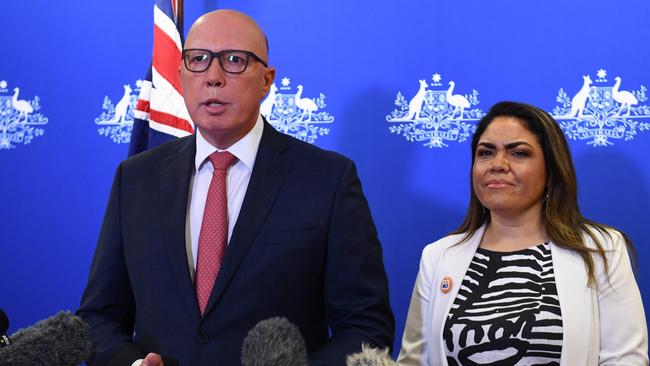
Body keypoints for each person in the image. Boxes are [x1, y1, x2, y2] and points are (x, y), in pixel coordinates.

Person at [78, 9, 394, 366]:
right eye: (198, 60)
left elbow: (365, 327)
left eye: (234, 60)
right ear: (181, 77)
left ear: (266, 80)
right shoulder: (135, 178)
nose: (213, 76)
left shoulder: (328, 179)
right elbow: (98, 317)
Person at [397, 101, 648, 365]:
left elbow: (625, 360)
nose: (498, 164)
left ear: (551, 172)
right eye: (486, 153)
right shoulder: (438, 256)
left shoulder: (602, 249)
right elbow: (413, 361)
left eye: (518, 153)